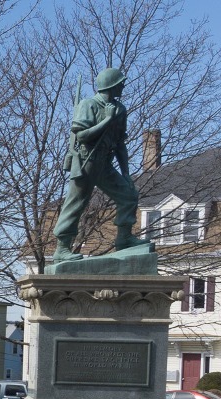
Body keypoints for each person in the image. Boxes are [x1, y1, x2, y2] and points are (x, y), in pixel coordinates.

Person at [53, 67, 150, 262]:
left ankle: (124, 239)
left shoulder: (120, 109)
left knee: (129, 195)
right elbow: (81, 135)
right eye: (120, 84)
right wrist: (107, 119)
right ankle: (62, 248)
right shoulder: (88, 105)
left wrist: (126, 174)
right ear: (111, 86)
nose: (123, 87)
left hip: (105, 162)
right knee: (76, 203)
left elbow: (120, 143)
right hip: (86, 160)